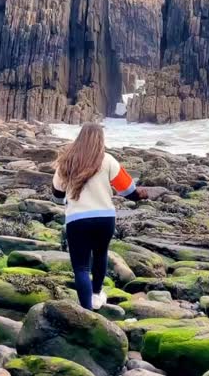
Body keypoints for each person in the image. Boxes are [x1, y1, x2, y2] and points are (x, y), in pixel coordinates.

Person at [52, 123, 147, 311]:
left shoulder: (67, 161)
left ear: (80, 138)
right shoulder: (108, 160)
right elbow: (128, 190)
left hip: (77, 220)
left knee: (81, 268)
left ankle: (86, 311)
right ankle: (96, 296)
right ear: (100, 139)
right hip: (105, 219)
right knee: (100, 255)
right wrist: (141, 195)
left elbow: (56, 196)